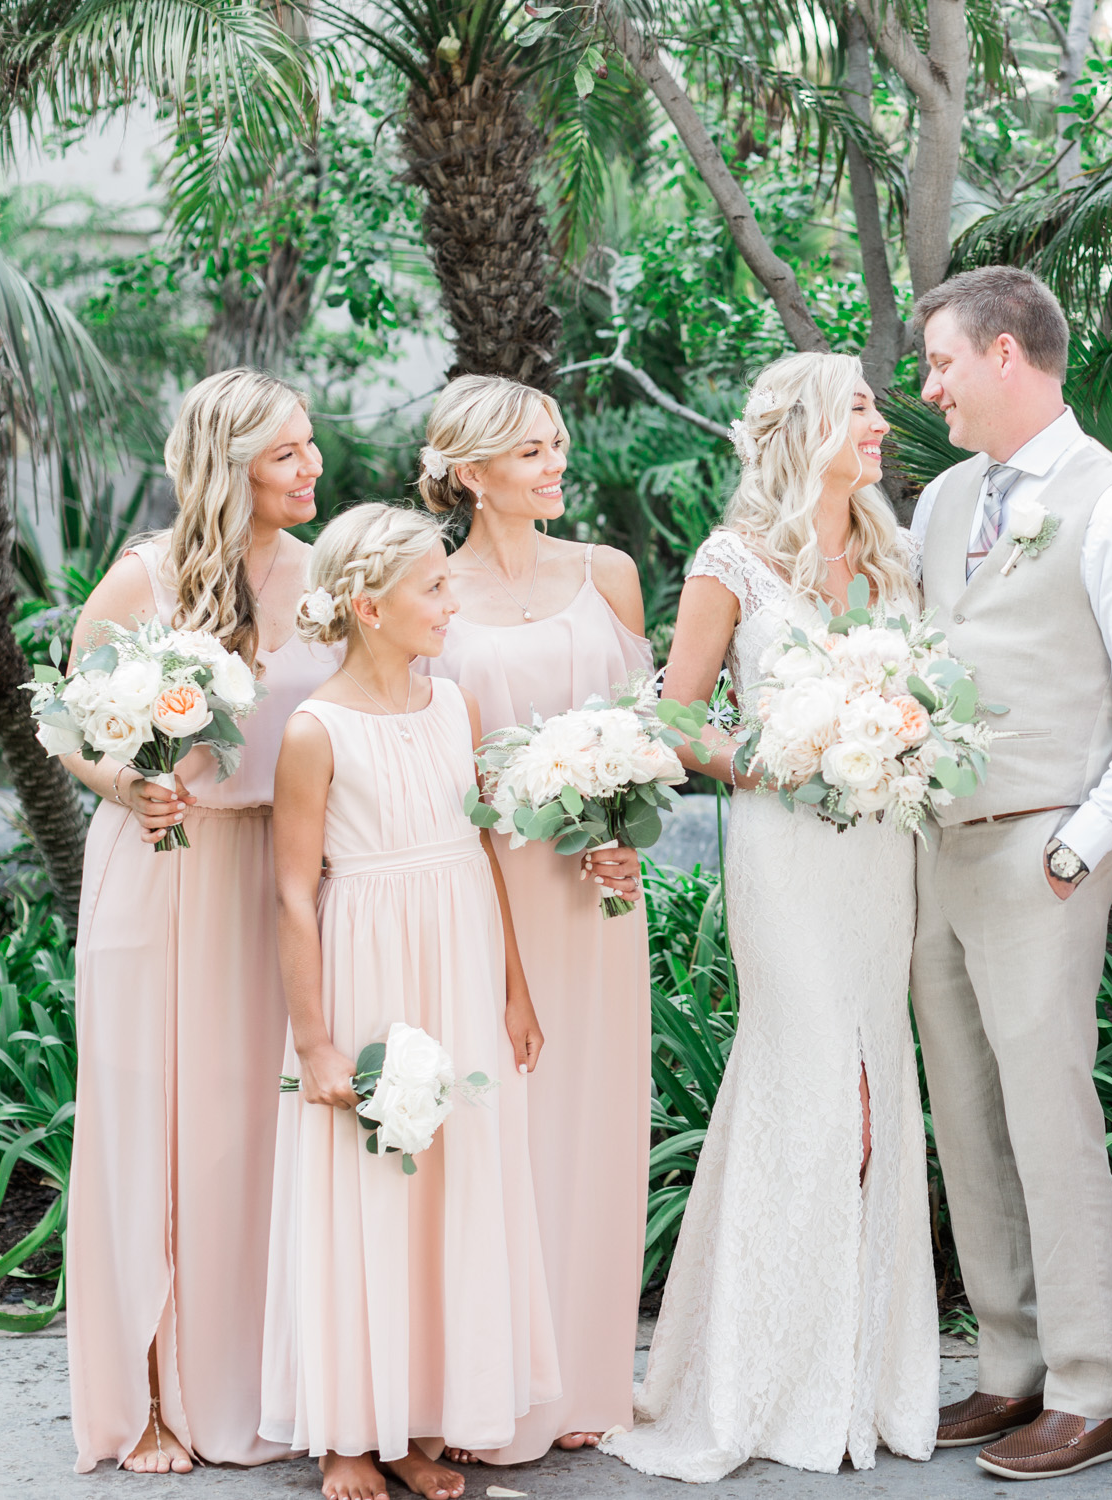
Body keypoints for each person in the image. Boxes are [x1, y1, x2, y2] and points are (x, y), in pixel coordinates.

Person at [598, 352, 938, 1483]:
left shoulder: (896, 554)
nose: (881, 423)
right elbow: (681, 720)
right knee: (809, 1086)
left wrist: (896, 739)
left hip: (878, 852)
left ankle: (854, 1378)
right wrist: (778, 758)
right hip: (786, 851)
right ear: (806, 429)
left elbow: (924, 695)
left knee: (878, 1094)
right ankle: (754, 1380)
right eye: (860, 408)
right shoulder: (730, 561)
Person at [907, 266, 1112, 1481]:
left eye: (940, 364)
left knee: (1050, 1116)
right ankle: (1008, 1366)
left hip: (1045, 847)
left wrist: (1084, 843)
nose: (928, 390)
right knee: (968, 1117)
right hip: (936, 845)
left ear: (1007, 357)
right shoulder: (938, 503)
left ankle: (1092, 1384)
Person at [65, 368, 337, 1475]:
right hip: (165, 869)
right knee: (160, 1129)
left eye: (311, 445)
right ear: (229, 471)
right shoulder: (143, 580)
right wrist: (126, 786)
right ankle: (155, 1399)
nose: (312, 467)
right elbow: (71, 725)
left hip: (282, 877)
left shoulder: (324, 581)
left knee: (258, 1131)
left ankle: (269, 1378)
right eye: (286, 454)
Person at [259, 502, 559, 1500]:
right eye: (433, 586)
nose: (451, 600)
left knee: (448, 1185)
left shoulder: (456, 706)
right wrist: (317, 1046)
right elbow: (295, 894)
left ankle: (413, 1418)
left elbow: (481, 850)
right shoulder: (315, 731)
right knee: (367, 1189)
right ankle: (349, 1427)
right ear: (367, 605)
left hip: (460, 964)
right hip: (369, 975)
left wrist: (514, 991)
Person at [417, 376, 652, 1462]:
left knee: (594, 1117)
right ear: (468, 474)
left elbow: (651, 727)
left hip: (596, 894)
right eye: (528, 454)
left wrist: (626, 829)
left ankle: (590, 1377)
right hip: (481, 890)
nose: (556, 464)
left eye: (557, 446)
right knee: (496, 1126)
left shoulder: (608, 575)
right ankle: (493, 1384)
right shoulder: (430, 592)